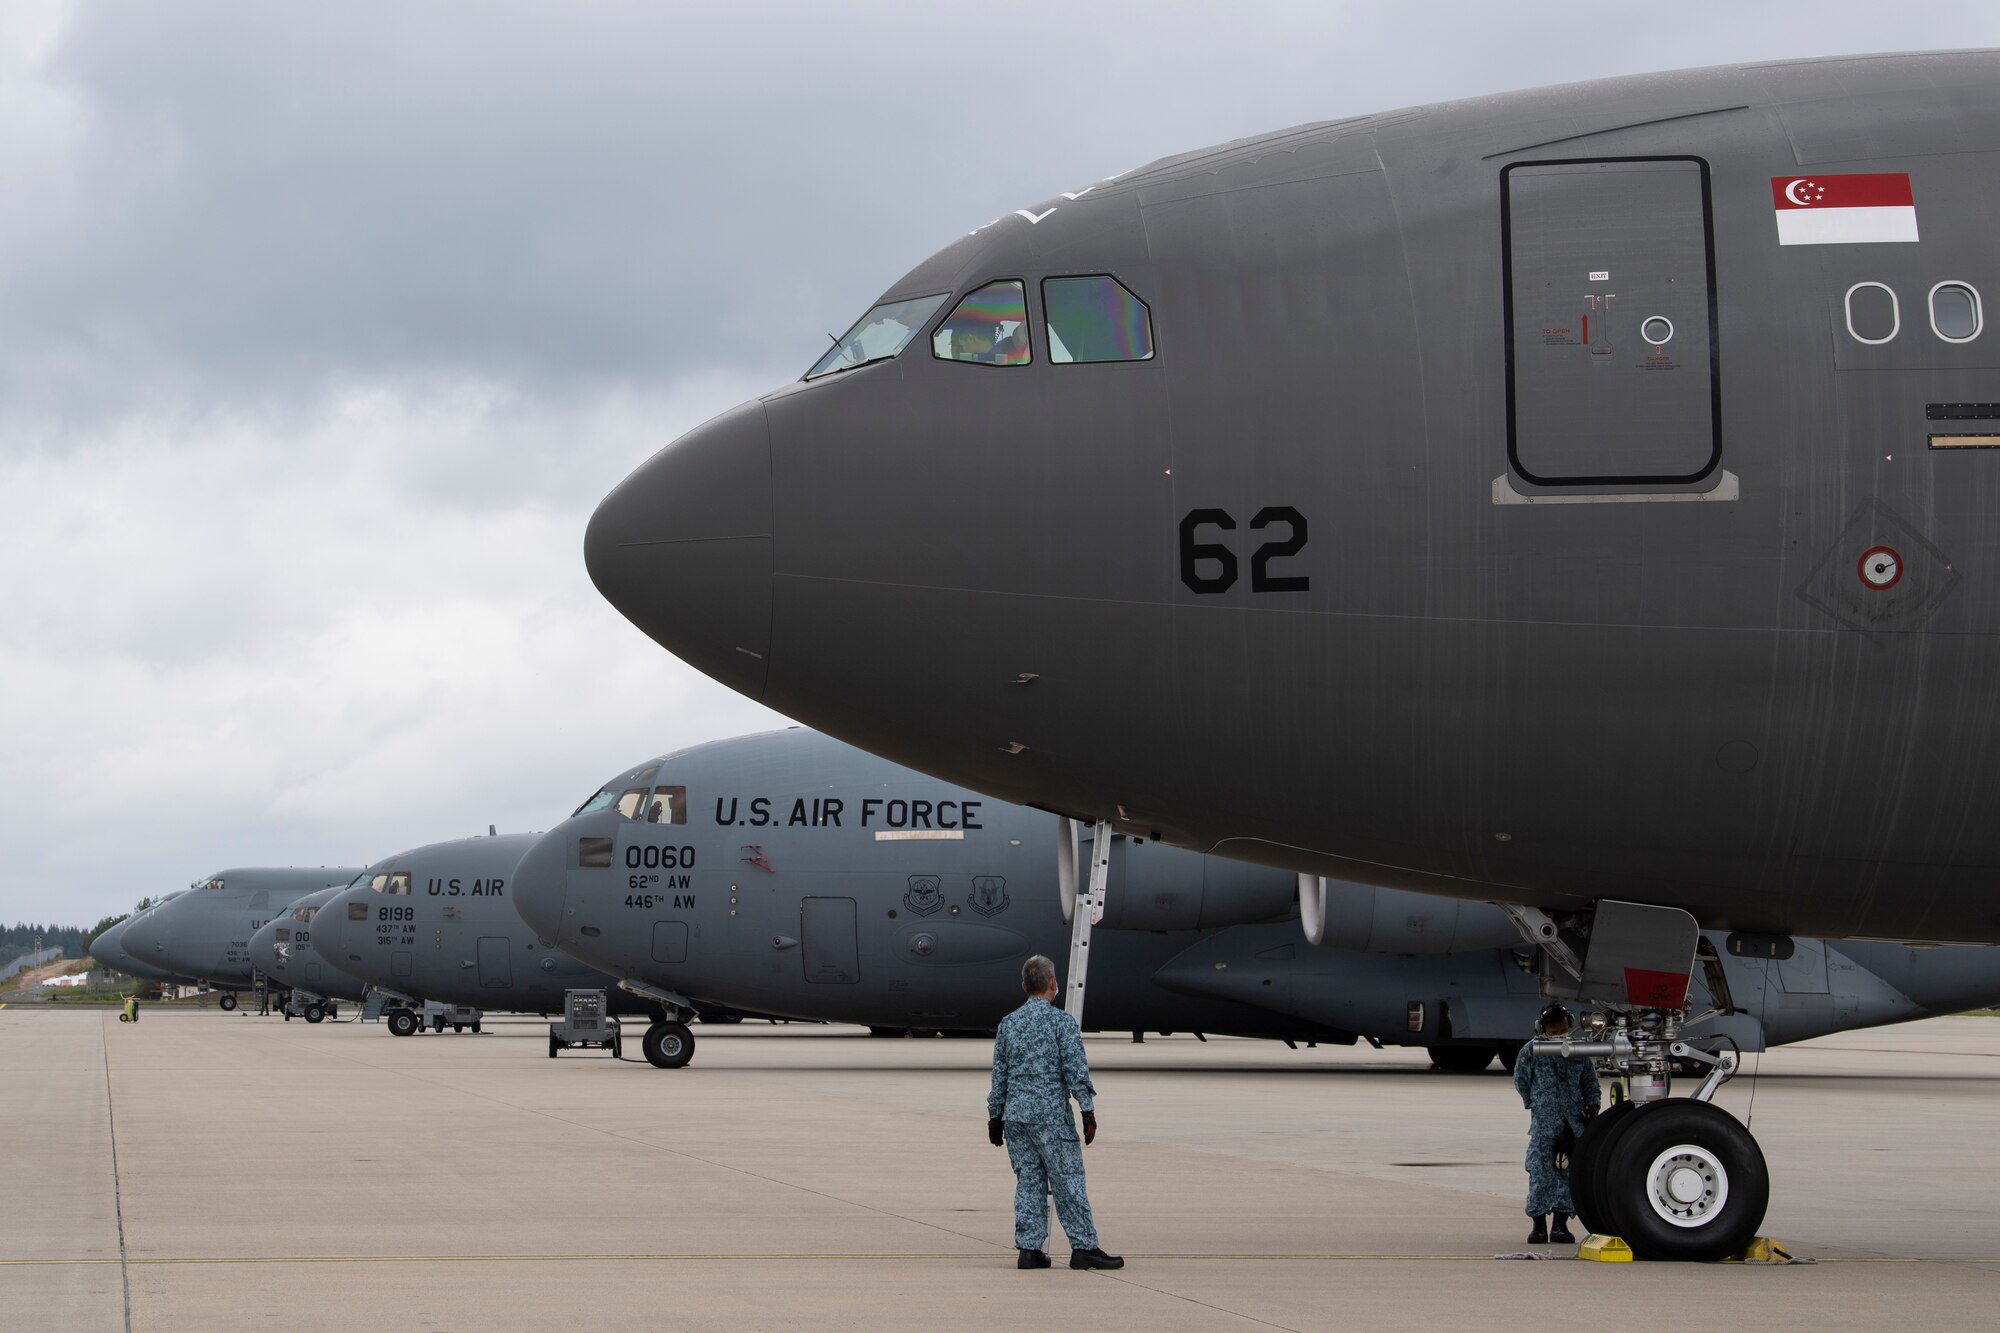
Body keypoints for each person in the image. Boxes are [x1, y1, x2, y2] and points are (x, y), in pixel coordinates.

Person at [987, 955, 1123, 1270]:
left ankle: (1029, 1249)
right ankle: (1084, 1246)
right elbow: (1075, 1070)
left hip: (1017, 1116)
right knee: (1068, 1180)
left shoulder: (1009, 1023)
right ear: (1052, 983)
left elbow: (1000, 1076)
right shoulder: (1061, 1022)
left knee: (1029, 1179)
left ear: (1024, 985)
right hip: (1050, 1116)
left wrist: (995, 1117)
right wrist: (1087, 1110)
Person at [1512, 1003, 1602, 1244]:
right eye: (1553, 1028)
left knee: (1568, 1175)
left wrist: (1592, 1108)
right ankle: (1538, 1224)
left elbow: (1590, 1083)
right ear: (1543, 1028)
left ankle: (1561, 1224)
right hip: (1544, 1124)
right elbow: (1521, 1080)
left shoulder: (1577, 1052)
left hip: (1572, 1123)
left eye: (1561, 1027)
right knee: (1540, 1173)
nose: (1558, 1032)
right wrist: (1535, 1103)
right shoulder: (1531, 1051)